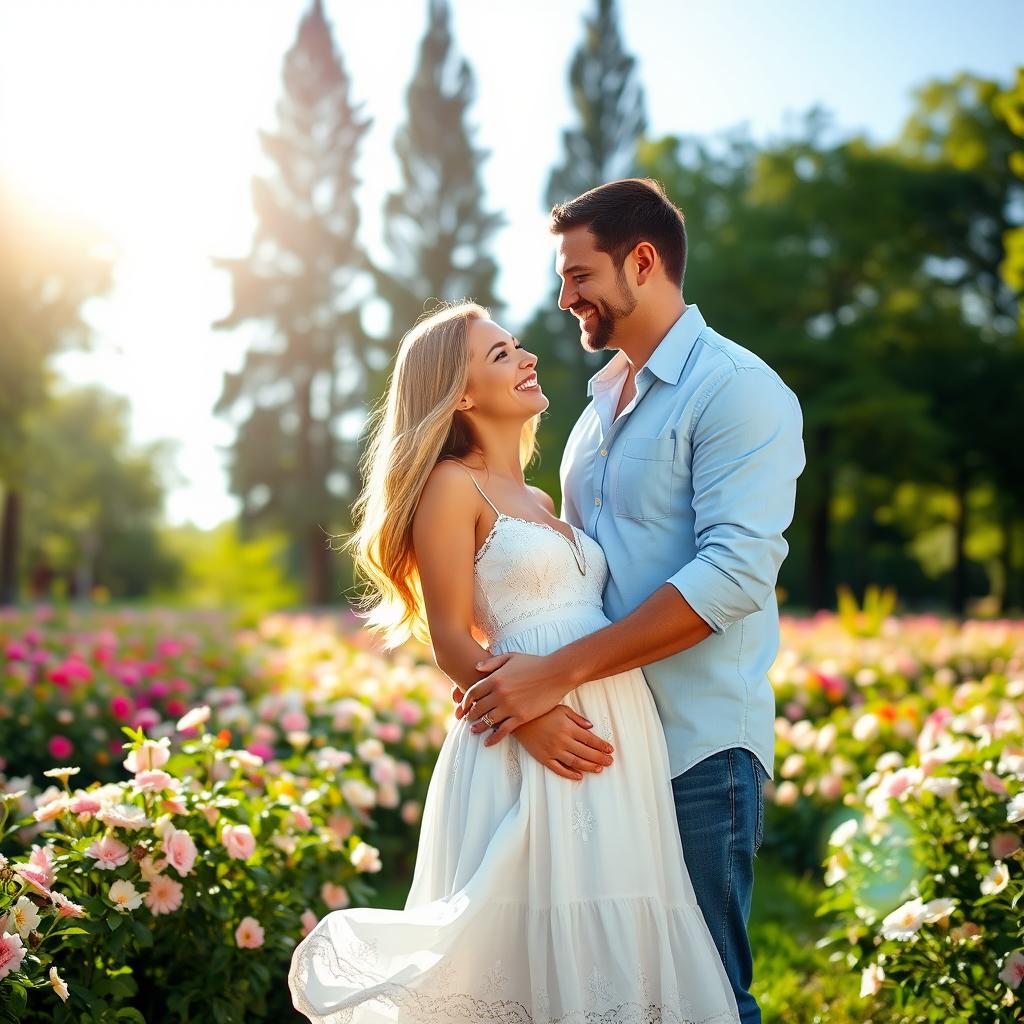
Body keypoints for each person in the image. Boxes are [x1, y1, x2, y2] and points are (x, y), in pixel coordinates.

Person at [288, 299, 740, 1023]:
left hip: (614, 730)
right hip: (527, 735)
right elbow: (451, 640)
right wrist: (531, 721)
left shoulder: (537, 496)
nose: (527, 357)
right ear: (461, 394)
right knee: (538, 922)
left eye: (519, 346)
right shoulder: (449, 486)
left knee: (622, 912)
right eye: (501, 355)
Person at [456, 179, 806, 1024]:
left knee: (704, 995)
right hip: (597, 750)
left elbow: (732, 574)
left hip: (694, 745)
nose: (564, 297)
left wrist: (554, 675)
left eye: (579, 276)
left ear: (641, 262)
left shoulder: (738, 390)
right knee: (604, 990)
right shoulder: (590, 414)